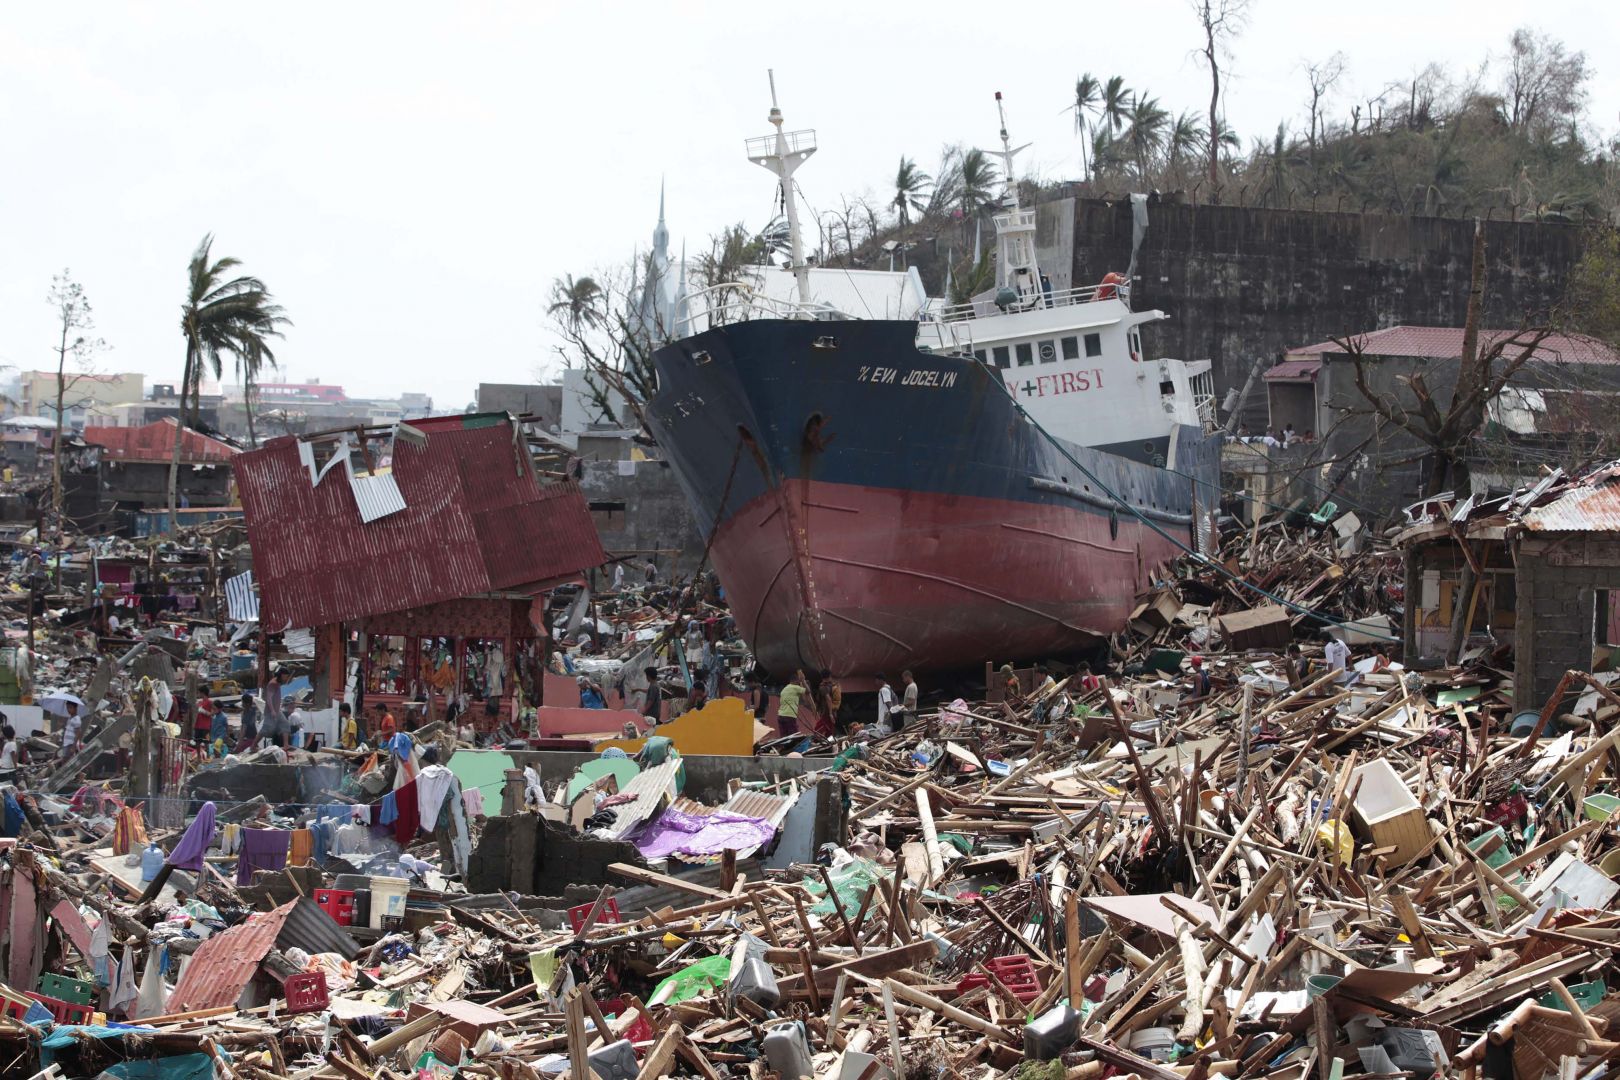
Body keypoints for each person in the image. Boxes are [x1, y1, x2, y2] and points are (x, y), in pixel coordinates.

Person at [776, 671, 808, 738]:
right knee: (794, 737)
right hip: (790, 716)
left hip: (781, 716)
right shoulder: (795, 687)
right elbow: (808, 691)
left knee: (784, 738)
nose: (799, 683)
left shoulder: (784, 689)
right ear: (796, 680)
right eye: (799, 681)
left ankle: (785, 748)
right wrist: (803, 681)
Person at [816, 668, 842, 734]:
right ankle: (828, 741)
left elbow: (828, 699)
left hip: (827, 711)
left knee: (818, 729)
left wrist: (830, 713)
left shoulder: (823, 687)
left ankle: (814, 740)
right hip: (833, 710)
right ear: (830, 676)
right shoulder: (833, 685)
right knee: (830, 729)